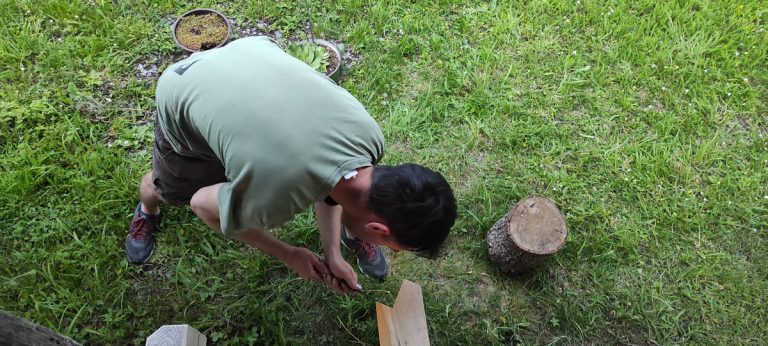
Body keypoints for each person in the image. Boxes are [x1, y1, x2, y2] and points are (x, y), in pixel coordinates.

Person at [124, 36, 457, 294]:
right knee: (171, 189)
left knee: (251, 169)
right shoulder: (273, 198)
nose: (390, 248)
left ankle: (232, 160)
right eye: (393, 246)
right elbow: (201, 205)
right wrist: (287, 253)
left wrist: (333, 254)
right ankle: (148, 207)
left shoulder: (370, 139)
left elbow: (333, 189)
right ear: (379, 230)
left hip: (250, 55)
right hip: (184, 87)